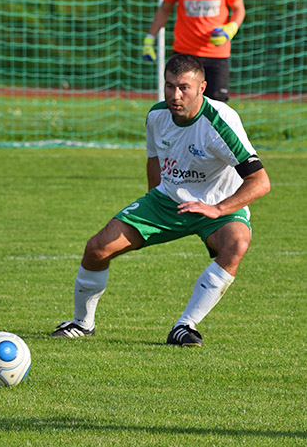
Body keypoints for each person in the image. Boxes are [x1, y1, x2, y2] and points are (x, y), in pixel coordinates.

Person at [51, 54, 270, 346]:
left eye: (184, 88)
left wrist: (217, 209)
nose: (175, 95)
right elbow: (153, 158)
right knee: (97, 248)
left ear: (202, 87)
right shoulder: (157, 116)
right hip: (167, 201)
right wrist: (153, 200)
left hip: (216, 205)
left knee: (237, 243)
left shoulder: (220, 123)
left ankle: (185, 326)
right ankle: (82, 323)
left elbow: (260, 181)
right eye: (169, 86)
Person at [142, 0, 245, 102]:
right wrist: (149, 39)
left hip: (216, 55)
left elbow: (239, 9)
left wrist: (231, 28)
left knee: (216, 106)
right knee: (180, 103)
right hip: (185, 53)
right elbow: (164, 10)